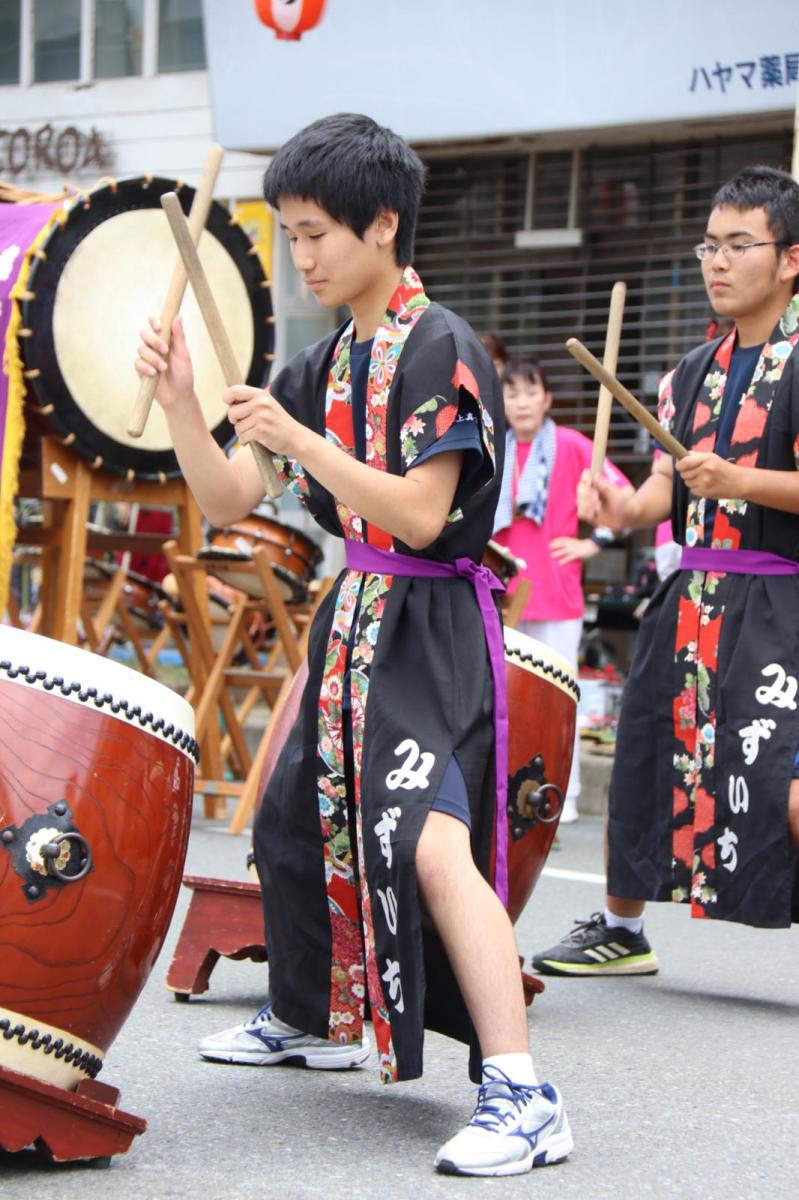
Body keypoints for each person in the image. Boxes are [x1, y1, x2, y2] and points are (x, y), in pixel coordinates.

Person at [136, 113, 572, 1177]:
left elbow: (423, 516)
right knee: (293, 817)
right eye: (290, 234)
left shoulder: (442, 347)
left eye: (318, 232)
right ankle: (308, 1015)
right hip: (355, 616)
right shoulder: (324, 360)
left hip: (428, 620)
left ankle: (525, 1095)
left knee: (425, 839)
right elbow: (231, 492)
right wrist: (187, 405)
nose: (304, 255)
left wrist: (305, 444)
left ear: (385, 224)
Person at [532, 164, 799, 976]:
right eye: (707, 246)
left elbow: (733, 481)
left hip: (781, 601)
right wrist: (616, 509)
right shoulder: (689, 371)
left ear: (789, 258)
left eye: (737, 245)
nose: (716, 262)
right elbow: (662, 489)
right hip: (690, 594)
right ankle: (622, 927)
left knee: (779, 772)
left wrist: (740, 481)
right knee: (649, 749)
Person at [492, 357, 630, 823]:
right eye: (512, 393)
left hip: (557, 589)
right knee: (504, 700)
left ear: (547, 398)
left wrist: (592, 542)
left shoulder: (571, 445)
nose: (522, 403)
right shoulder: (495, 449)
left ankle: (562, 797)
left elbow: (623, 495)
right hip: (506, 591)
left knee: (558, 701)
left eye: (531, 392)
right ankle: (506, 793)